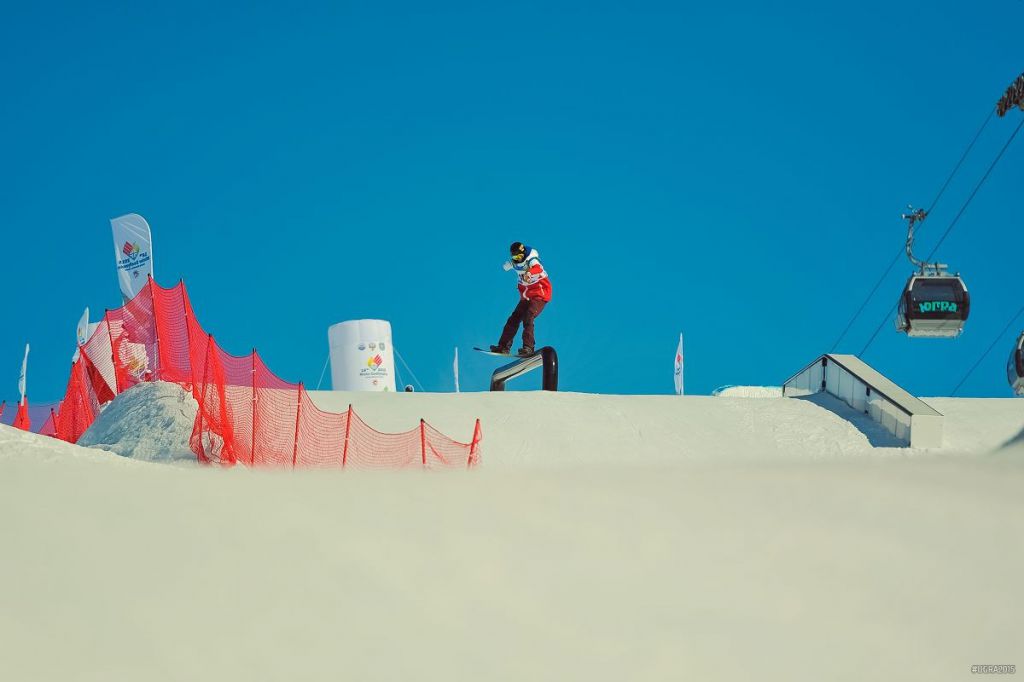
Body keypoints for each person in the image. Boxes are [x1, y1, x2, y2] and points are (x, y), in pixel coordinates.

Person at [491, 241, 552, 356]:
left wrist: (529, 273)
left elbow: (538, 268)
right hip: (526, 297)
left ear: (523, 253)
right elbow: (507, 266)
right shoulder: (515, 263)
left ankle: (528, 347)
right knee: (514, 318)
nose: (518, 259)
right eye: (515, 257)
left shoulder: (531, 259)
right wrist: (506, 266)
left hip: (540, 294)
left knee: (528, 316)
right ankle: (503, 347)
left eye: (519, 256)